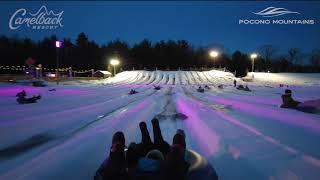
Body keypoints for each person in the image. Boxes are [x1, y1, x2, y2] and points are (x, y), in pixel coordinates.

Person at [98, 119, 189, 180]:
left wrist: (121, 153)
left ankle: (118, 148)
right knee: (163, 145)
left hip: (134, 169)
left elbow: (99, 175)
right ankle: (177, 148)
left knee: (147, 144)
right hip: (165, 170)